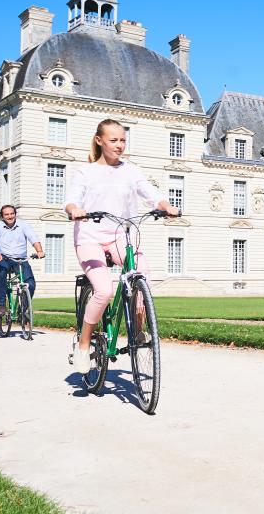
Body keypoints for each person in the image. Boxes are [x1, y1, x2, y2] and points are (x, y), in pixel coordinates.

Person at [64, 119, 179, 374]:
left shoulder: (132, 171)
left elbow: (149, 192)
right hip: (90, 235)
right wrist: (75, 210)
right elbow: (72, 198)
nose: (119, 145)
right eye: (113, 140)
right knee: (104, 291)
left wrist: (165, 206)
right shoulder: (87, 172)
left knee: (141, 274)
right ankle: (83, 344)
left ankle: (137, 332)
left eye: (123, 140)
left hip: (120, 234)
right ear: (99, 141)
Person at [0, 205, 44, 317]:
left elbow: (33, 238)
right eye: (6, 214)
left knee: (30, 284)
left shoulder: (23, 225)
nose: (10, 216)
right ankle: (1, 305)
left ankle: (23, 309)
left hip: (21, 259)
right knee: (1, 275)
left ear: (15, 214)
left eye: (12, 213)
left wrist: (39, 251)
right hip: (3, 258)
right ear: (2, 216)